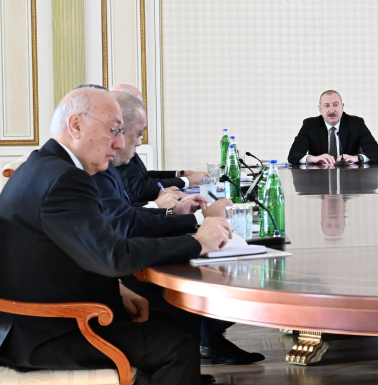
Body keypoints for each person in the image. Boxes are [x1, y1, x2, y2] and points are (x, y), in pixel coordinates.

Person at [0, 88, 232, 385]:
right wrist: (197, 243)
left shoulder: (44, 167)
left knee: (168, 321)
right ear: (76, 125)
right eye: (113, 130)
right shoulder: (65, 179)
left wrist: (118, 290)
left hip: (29, 324)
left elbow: (73, 250)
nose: (119, 143)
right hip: (41, 335)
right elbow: (112, 254)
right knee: (175, 344)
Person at [94, 91, 263, 367]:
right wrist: (197, 225)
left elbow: (127, 214)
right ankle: (198, 349)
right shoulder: (95, 168)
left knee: (209, 266)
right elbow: (125, 224)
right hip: (119, 272)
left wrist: (176, 213)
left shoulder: (105, 164)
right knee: (203, 277)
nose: (132, 141)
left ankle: (205, 344)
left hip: (121, 261)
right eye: (132, 132)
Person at [109, 84, 210, 206]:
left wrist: (180, 174)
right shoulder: (107, 162)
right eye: (135, 106)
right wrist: (159, 205)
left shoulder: (124, 148)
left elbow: (144, 176)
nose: (139, 142)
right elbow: (139, 190)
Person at [287, 90, 378, 165]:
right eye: (326, 106)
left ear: (342, 107)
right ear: (320, 109)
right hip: (319, 178)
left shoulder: (356, 124)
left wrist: (358, 158)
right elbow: (293, 156)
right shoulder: (310, 125)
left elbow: (377, 154)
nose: (332, 110)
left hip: (351, 178)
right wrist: (312, 158)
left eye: (336, 105)